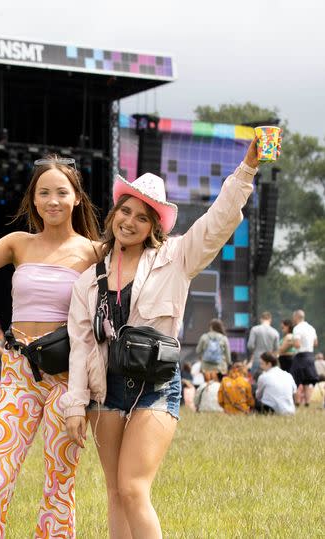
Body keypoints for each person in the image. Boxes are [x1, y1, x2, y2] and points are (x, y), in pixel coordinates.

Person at [65, 137, 267, 538]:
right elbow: (81, 345)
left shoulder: (176, 258)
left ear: (155, 226)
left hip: (155, 385)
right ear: (114, 214)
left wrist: (247, 169)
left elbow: (218, 222)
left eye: (143, 217)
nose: (130, 221)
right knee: (114, 493)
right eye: (126, 211)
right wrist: (75, 403)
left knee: (133, 488)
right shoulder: (88, 281)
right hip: (105, 390)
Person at [0, 152, 101, 537]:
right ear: (33, 199)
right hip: (18, 371)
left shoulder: (95, 251)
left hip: (67, 375)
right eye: (44, 193)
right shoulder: (19, 243)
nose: (53, 200)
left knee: (59, 482)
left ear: (77, 198)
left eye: (62, 192)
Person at [290, 309, 319, 406]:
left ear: (296, 317)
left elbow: (297, 344)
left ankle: (297, 402)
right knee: (308, 380)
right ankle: (307, 402)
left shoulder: (297, 328)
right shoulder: (311, 328)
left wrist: (292, 343)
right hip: (310, 356)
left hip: (300, 356)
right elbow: (315, 343)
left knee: (296, 379)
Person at [247, 311, 280, 380]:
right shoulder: (275, 332)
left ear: (261, 319)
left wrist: (254, 351)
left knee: (255, 381)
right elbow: (276, 349)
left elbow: (250, 345)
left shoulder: (255, 329)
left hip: (257, 359)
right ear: (270, 320)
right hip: (269, 362)